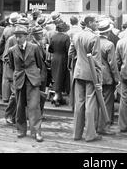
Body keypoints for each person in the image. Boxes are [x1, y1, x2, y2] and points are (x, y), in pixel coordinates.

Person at [69, 14, 103, 142]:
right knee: (90, 104)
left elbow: (70, 53)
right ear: (89, 23)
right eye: (95, 22)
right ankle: (90, 134)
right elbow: (96, 60)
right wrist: (99, 77)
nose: (97, 24)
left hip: (78, 72)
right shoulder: (94, 38)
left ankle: (77, 134)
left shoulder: (76, 35)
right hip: (91, 74)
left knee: (79, 103)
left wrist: (72, 68)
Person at [8, 25, 44, 142]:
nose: (18, 39)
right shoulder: (12, 50)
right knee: (19, 106)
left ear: (26, 36)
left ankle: (36, 132)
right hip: (19, 80)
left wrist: (38, 78)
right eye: (16, 37)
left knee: (34, 106)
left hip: (32, 80)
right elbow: (12, 66)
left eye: (20, 36)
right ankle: (21, 130)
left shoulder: (34, 48)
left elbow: (40, 64)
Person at [4, 18, 30, 125]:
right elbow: (6, 56)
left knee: (22, 96)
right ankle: (9, 115)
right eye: (22, 25)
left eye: (26, 25)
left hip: (27, 73)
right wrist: (14, 68)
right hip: (16, 73)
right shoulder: (11, 40)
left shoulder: (28, 38)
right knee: (15, 95)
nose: (25, 27)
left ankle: (18, 116)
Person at [97, 19, 120, 134]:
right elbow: (113, 64)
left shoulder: (93, 41)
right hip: (106, 77)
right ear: (108, 32)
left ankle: (96, 125)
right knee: (107, 102)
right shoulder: (109, 44)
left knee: (96, 101)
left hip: (94, 74)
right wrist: (117, 79)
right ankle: (104, 127)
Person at [48, 22, 70, 106]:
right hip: (63, 58)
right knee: (61, 77)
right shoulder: (66, 37)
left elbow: (50, 49)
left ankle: (59, 97)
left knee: (56, 77)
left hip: (55, 58)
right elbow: (68, 49)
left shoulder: (53, 37)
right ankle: (56, 97)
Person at [0, 12, 20, 103]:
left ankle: (5, 97)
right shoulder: (19, 31)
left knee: (6, 78)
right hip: (16, 55)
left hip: (6, 55)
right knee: (14, 77)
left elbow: (0, 43)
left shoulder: (6, 30)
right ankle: (14, 97)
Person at [31, 26, 48, 116]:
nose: (42, 34)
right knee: (36, 96)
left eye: (42, 33)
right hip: (36, 74)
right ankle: (36, 114)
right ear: (34, 35)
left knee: (41, 94)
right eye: (39, 33)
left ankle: (40, 113)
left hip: (42, 73)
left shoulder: (40, 44)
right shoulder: (32, 45)